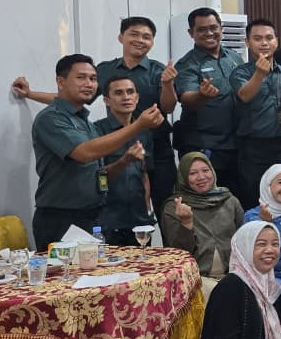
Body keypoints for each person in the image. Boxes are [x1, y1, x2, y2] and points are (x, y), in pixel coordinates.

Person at [13, 17, 180, 210]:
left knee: (164, 205)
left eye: (146, 37)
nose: (140, 40)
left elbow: (168, 108)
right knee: (116, 201)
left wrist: (168, 84)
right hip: (113, 146)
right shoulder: (104, 70)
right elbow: (72, 97)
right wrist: (30, 94)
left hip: (156, 146)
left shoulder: (160, 70)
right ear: (121, 37)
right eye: (134, 34)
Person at [28, 54, 164, 247]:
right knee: (64, 268)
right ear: (60, 81)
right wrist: (138, 125)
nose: (89, 84)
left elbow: (99, 175)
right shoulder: (51, 118)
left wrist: (123, 162)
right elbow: (83, 153)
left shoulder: (86, 123)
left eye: (93, 79)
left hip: (92, 216)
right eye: (81, 77)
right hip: (60, 217)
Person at [174, 7, 241, 194]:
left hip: (237, 145)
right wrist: (202, 95)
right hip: (205, 147)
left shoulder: (235, 57)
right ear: (191, 33)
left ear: (221, 28)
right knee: (206, 200)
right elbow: (187, 99)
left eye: (213, 28)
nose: (209, 33)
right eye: (202, 30)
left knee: (236, 199)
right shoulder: (187, 64)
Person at [230, 18, 281, 210]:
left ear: (277, 41)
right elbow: (244, 95)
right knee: (254, 199)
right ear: (247, 43)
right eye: (257, 39)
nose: (264, 43)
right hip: (253, 148)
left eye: (269, 38)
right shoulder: (240, 72)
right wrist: (259, 74)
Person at [199, 221, 281, 339]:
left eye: (275, 244)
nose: (270, 250)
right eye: (261, 244)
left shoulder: (274, 289)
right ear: (245, 248)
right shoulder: (229, 288)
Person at [160, 152, 245, 283]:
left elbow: (244, 242)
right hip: (194, 280)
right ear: (183, 177)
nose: (201, 177)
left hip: (233, 277)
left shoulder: (229, 200)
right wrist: (186, 223)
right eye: (193, 173)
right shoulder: (174, 207)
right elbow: (178, 255)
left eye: (205, 170)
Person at [93, 75, 155, 246]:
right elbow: (97, 176)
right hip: (108, 219)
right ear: (106, 100)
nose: (126, 97)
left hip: (139, 220)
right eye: (119, 93)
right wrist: (124, 161)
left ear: (137, 97)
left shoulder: (144, 131)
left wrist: (147, 208)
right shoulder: (97, 130)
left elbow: (145, 173)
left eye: (130, 92)